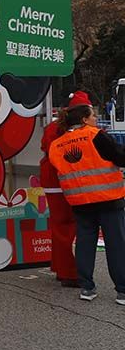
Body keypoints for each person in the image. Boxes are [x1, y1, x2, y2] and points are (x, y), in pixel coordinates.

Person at [48, 93, 125, 304]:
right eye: (92, 116)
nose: (95, 120)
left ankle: (87, 288)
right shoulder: (96, 135)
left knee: (84, 243)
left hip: (79, 202)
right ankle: (122, 290)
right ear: (83, 119)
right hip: (109, 199)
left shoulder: (57, 145)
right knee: (116, 243)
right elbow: (120, 157)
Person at [40, 94, 83, 287]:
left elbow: (45, 147)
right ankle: (69, 273)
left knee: (59, 227)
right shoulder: (77, 131)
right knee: (71, 226)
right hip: (67, 182)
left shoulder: (51, 128)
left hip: (51, 182)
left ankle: (60, 267)